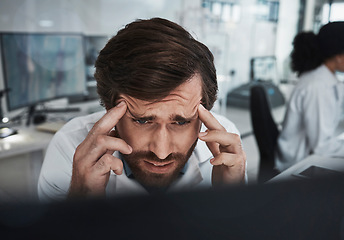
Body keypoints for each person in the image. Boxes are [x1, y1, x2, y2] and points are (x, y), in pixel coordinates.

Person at [38, 18, 246, 201]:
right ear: (109, 110)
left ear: (204, 114)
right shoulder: (69, 147)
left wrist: (230, 201)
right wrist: (81, 203)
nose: (161, 152)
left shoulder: (225, 146)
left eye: (181, 122)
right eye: (142, 120)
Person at [275, 21, 344, 172]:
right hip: (297, 163)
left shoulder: (327, 80)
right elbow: (321, 146)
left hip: (309, 155)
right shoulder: (317, 86)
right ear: (338, 56)